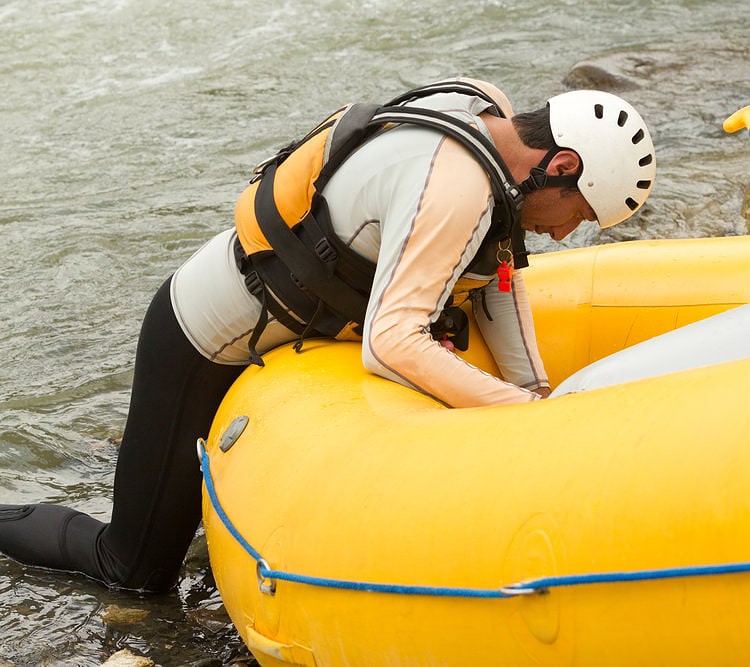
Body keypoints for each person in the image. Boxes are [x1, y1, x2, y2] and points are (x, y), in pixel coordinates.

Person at [0, 78, 655, 592]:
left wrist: (540, 396)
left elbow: (497, 280)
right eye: (580, 212)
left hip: (271, 339)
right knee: (133, 568)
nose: (567, 233)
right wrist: (521, 413)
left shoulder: (485, 111)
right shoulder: (457, 186)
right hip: (198, 344)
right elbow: (392, 341)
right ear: (560, 163)